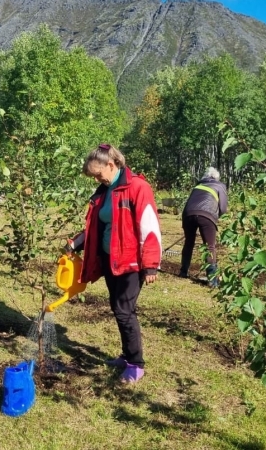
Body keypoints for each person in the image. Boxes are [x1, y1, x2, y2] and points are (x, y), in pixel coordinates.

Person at [65, 143, 162, 384]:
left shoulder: (137, 187)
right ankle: (126, 355)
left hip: (131, 263)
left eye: (98, 174)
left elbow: (149, 227)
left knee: (124, 311)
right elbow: (97, 226)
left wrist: (150, 264)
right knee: (118, 309)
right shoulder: (104, 191)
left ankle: (136, 364)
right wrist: (74, 244)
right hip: (110, 260)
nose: (97, 178)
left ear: (111, 164)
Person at [179, 167, 228, 287]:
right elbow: (223, 208)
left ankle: (183, 272)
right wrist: (215, 218)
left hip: (188, 215)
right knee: (210, 247)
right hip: (207, 216)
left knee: (189, 243)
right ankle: (212, 279)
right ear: (216, 178)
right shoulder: (220, 186)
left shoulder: (197, 186)